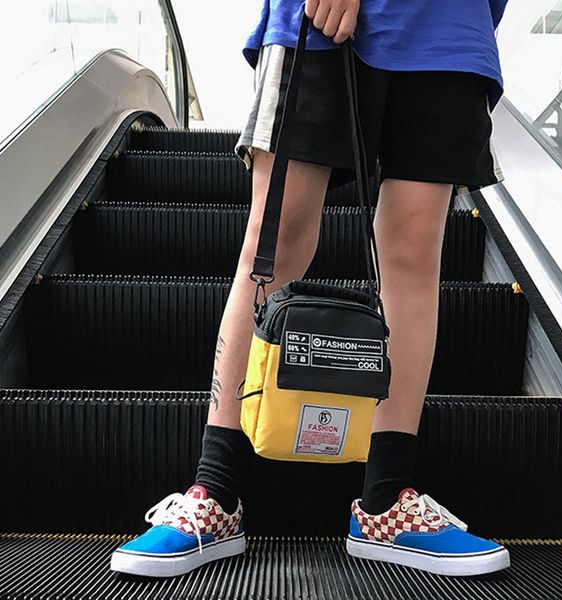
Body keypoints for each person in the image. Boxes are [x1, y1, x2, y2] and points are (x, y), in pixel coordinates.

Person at [111, 0, 511, 578]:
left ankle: (385, 501)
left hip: (450, 27)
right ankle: (215, 490)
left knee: (414, 250)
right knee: (274, 240)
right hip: (319, 25)